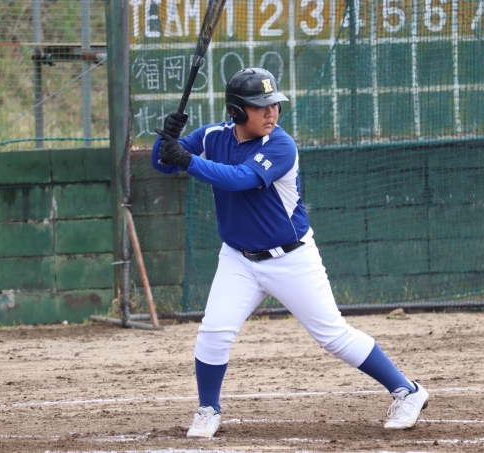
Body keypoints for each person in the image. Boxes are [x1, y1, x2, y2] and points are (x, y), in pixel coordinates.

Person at [152, 68, 429, 439]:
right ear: (236, 111)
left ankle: (408, 391)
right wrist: (167, 139)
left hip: (291, 258)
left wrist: (187, 160)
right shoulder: (212, 136)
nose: (272, 113)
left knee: (333, 335)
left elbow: (239, 179)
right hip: (238, 258)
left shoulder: (280, 145)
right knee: (214, 331)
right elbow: (161, 163)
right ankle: (207, 409)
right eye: (260, 106)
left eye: (274, 105)